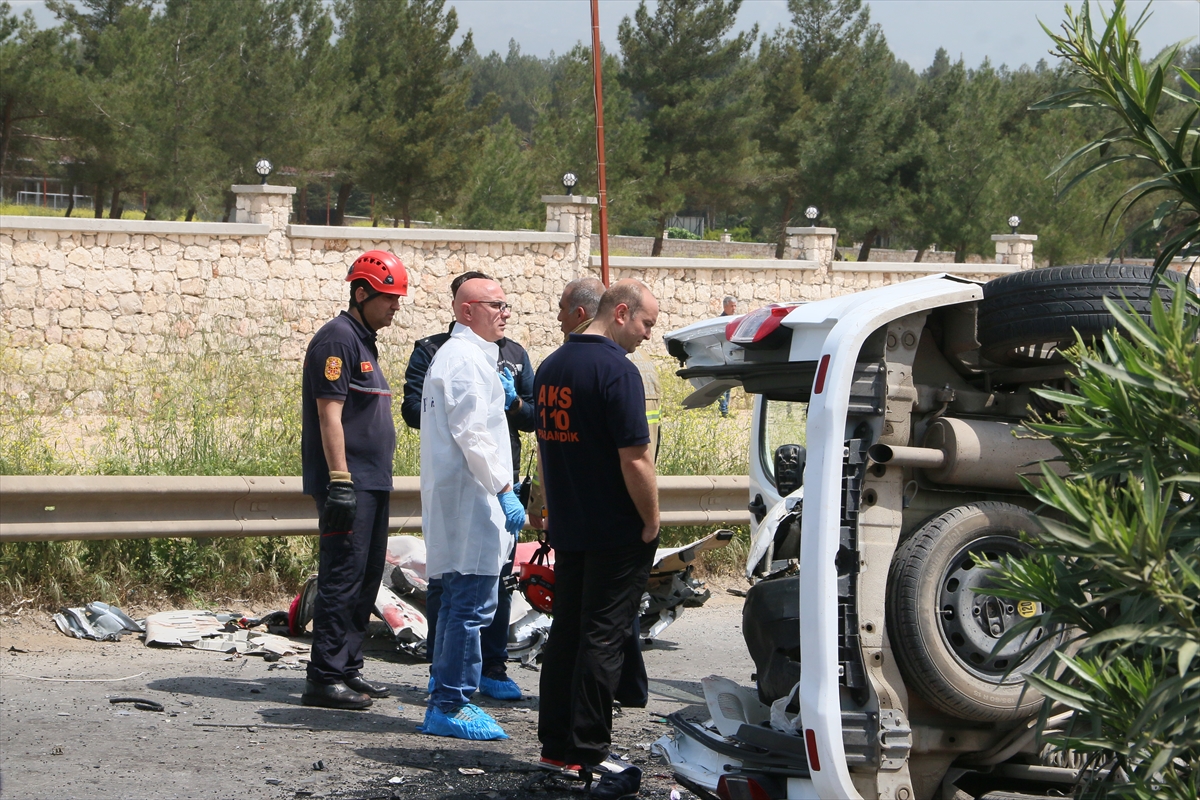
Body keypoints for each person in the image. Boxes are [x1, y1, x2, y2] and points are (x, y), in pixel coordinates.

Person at [534, 279, 660, 797]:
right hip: (613, 527)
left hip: (571, 523)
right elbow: (634, 459)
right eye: (647, 323)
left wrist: (547, 506)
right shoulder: (617, 371)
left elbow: (545, 448)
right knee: (602, 637)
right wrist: (651, 521)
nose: (649, 336)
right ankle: (586, 757)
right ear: (623, 313)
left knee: (566, 634)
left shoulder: (551, 367)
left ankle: (554, 747)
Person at [401, 272, 534, 701]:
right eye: (496, 305)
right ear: (466, 311)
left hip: (467, 499)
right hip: (473, 500)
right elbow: (474, 433)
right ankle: (451, 701)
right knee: (468, 608)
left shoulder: (473, 355)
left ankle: (449, 691)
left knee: (466, 602)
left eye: (505, 304)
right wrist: (503, 489)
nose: (505, 312)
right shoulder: (463, 359)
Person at [300, 250, 408, 710]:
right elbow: (330, 414)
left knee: (365, 581)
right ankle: (324, 677)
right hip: (350, 484)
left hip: (373, 482)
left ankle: (348, 668)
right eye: (388, 298)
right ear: (361, 293)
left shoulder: (363, 339)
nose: (395, 307)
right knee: (342, 578)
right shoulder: (336, 340)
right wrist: (340, 480)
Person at [717, 296, 737, 417]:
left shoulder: (735, 320)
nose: (734, 308)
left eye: (735, 306)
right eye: (732, 306)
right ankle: (723, 409)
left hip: (731, 356)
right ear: (725, 307)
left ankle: (725, 409)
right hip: (722, 356)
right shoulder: (720, 321)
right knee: (722, 384)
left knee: (729, 384)